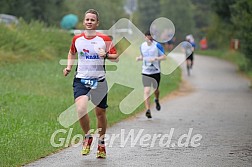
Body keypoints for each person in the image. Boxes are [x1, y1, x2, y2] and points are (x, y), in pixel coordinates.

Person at [63, 9, 118, 159]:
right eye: (87, 19)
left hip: (99, 81)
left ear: (97, 23)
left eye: (92, 20)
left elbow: (116, 57)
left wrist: (106, 55)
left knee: (100, 114)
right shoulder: (77, 39)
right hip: (81, 79)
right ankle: (88, 137)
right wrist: (69, 66)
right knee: (80, 109)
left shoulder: (104, 39)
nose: (89, 22)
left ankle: (101, 142)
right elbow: (71, 52)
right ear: (84, 21)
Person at [136, 30, 166, 118]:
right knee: (147, 91)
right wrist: (139, 58)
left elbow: (164, 56)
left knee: (156, 90)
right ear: (145, 37)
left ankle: (156, 99)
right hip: (145, 72)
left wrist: (156, 58)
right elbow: (143, 56)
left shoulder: (157, 45)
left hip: (156, 71)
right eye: (147, 37)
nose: (149, 39)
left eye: (151, 37)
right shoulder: (142, 46)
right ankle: (148, 110)